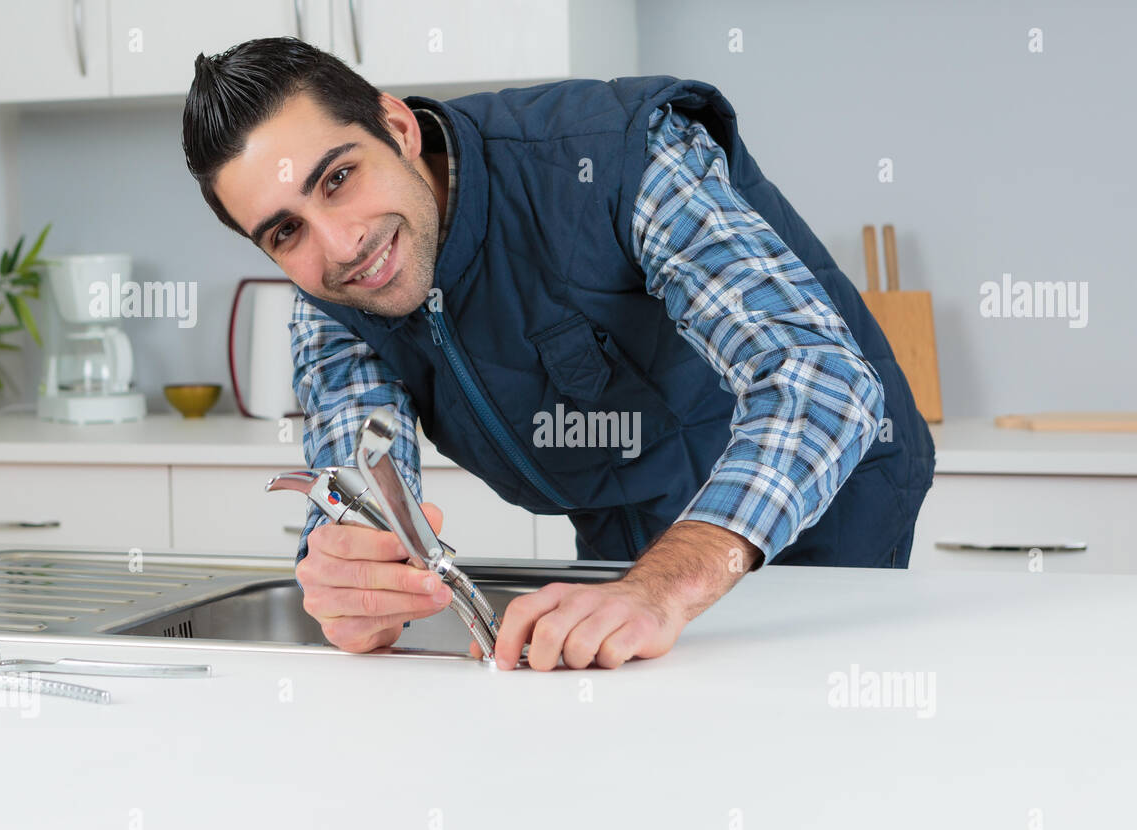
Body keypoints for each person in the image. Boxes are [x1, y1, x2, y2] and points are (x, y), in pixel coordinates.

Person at [181, 37, 935, 671]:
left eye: (339, 178)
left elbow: (819, 383)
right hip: (624, 547)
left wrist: (663, 588)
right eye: (286, 231)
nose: (341, 245)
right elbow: (359, 493)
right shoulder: (333, 298)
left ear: (397, 127)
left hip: (825, 517)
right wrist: (353, 578)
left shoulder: (619, 155)